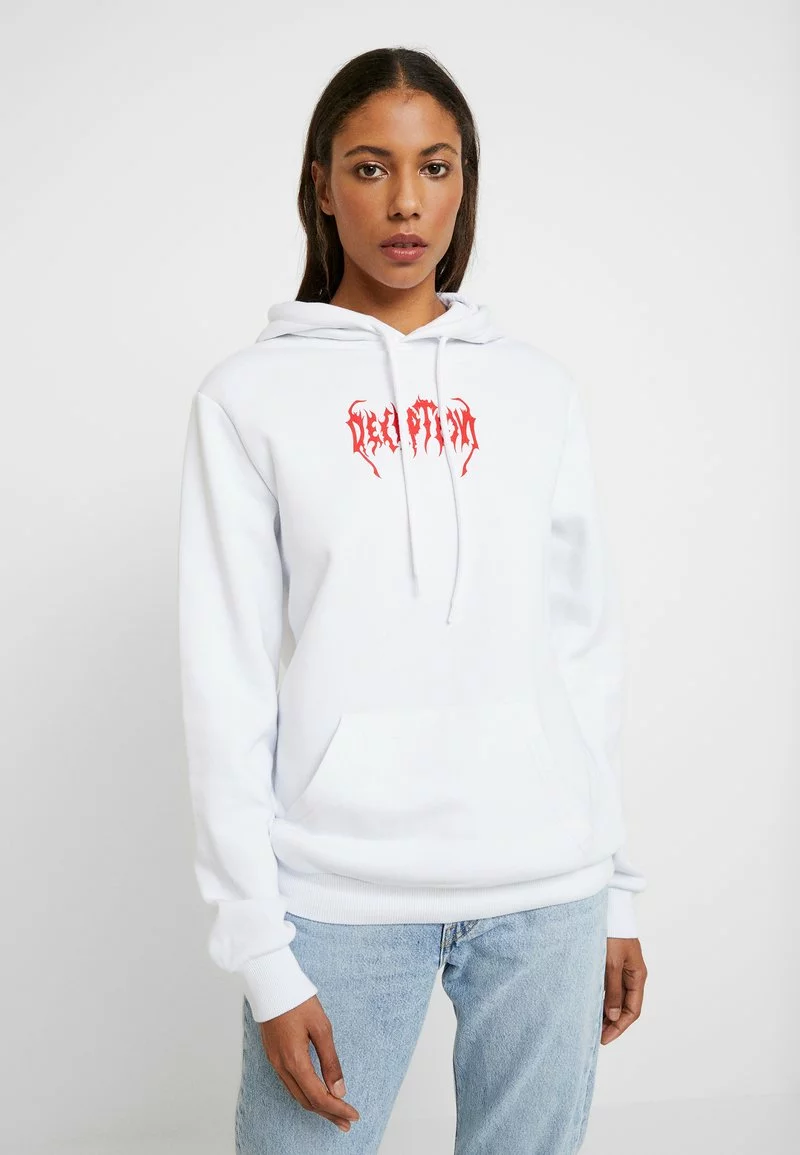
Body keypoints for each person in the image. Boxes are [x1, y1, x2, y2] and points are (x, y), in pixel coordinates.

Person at [177, 45, 648, 1155]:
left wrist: (617, 889)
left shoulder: (535, 391)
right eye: (370, 166)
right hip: (338, 897)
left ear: (463, 183)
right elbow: (224, 681)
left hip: (547, 887)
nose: (404, 202)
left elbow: (583, 647)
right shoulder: (248, 399)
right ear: (320, 184)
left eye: (434, 167)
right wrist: (262, 952)